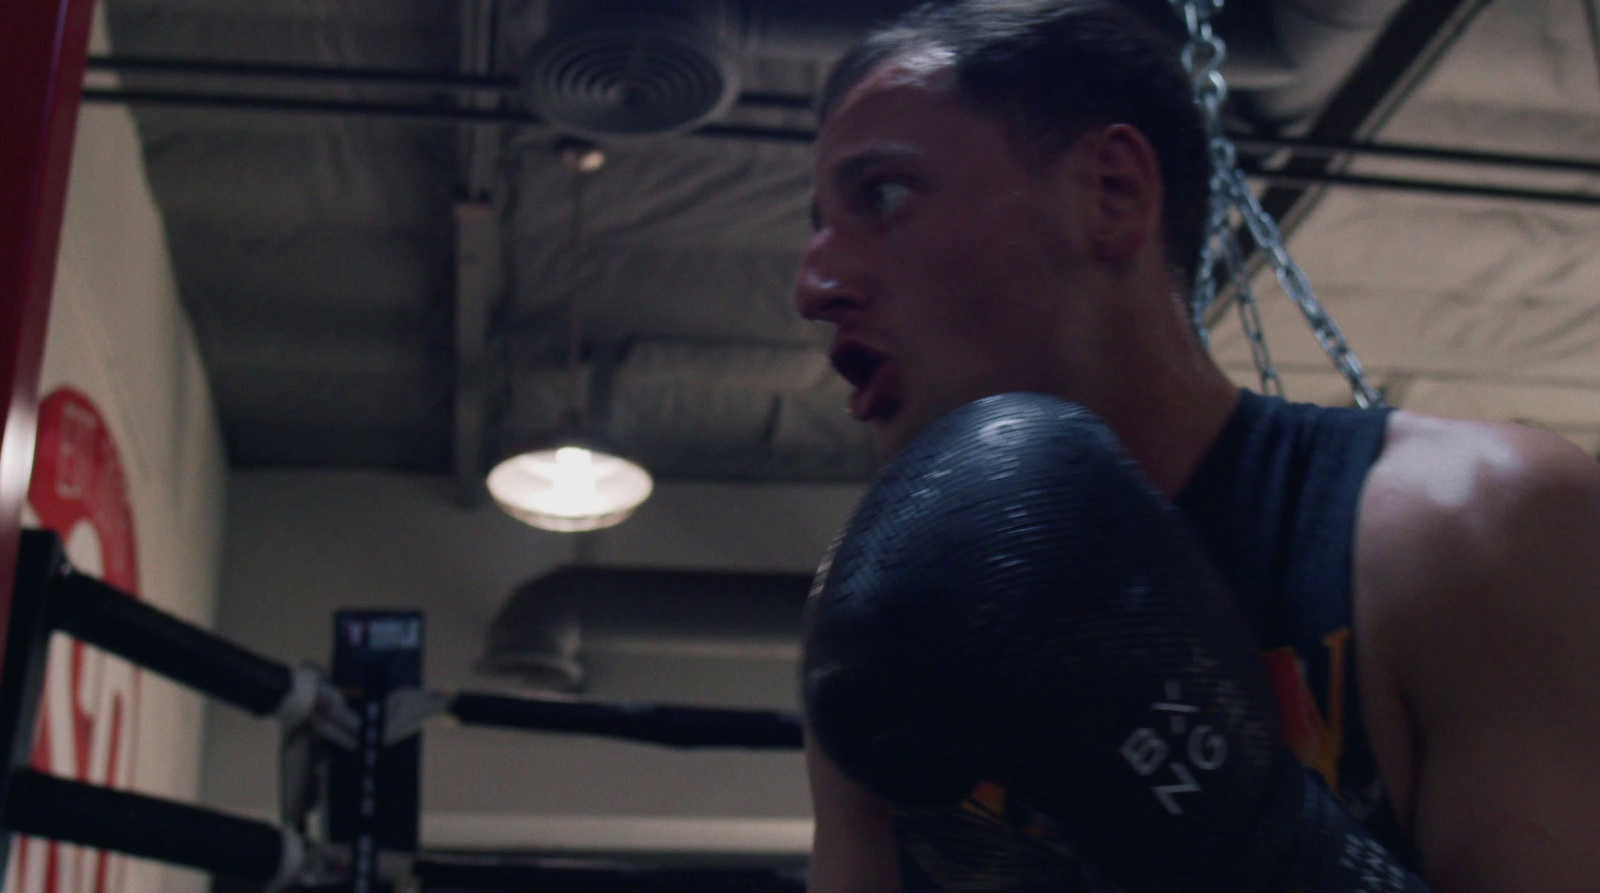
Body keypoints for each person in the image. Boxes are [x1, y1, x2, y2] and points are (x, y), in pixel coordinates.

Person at [790, 1, 1600, 891]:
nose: (815, 284)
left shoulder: (1472, 525)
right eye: (817, 226)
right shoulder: (887, 618)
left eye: (886, 196)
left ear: (1111, 193)